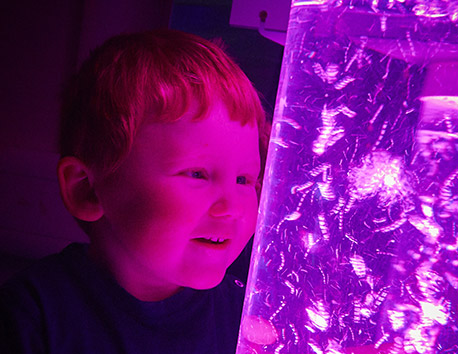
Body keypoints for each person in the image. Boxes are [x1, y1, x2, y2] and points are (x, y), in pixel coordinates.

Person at [0, 28, 269, 354]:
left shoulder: (247, 319)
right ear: (87, 190)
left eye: (244, 180)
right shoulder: (31, 319)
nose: (231, 207)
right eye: (197, 174)